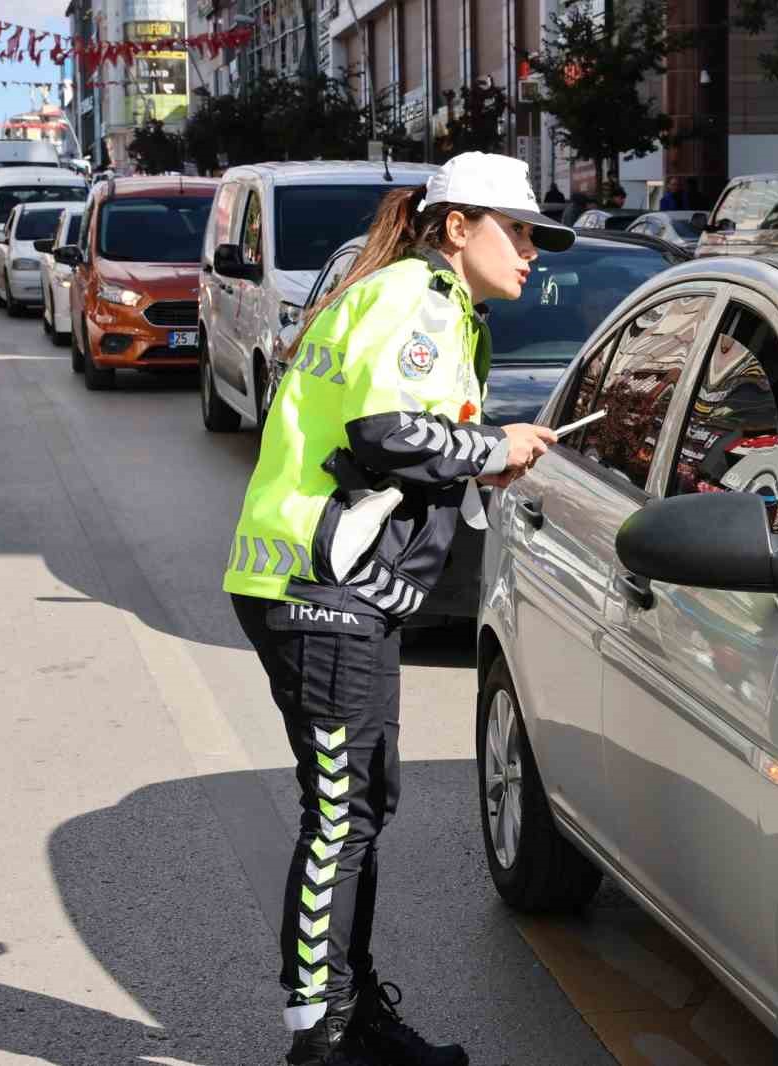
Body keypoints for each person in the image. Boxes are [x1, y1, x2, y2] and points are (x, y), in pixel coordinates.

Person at [223, 152, 571, 1066]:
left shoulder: (440, 303)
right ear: (458, 227)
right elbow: (383, 433)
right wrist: (490, 444)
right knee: (339, 812)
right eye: (519, 230)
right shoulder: (417, 297)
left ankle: (352, 1011)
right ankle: (321, 1037)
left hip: (346, 593)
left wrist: (482, 455)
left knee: (367, 802)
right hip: (316, 587)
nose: (533, 251)